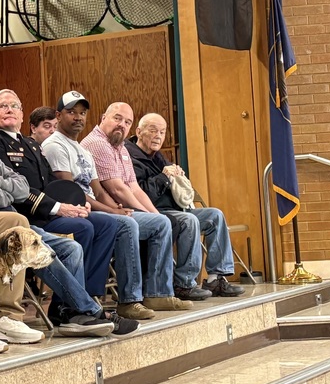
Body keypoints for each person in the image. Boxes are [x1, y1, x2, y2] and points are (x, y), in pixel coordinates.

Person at [0, 103, 128, 337]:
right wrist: (4, 188)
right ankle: (90, 310)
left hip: (16, 221)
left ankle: (67, 314)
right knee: (27, 237)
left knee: (71, 249)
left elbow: (23, 187)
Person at [42, 91, 188, 318]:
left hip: (93, 207)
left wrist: (127, 211)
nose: (78, 117)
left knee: (154, 221)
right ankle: (129, 299)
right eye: (72, 112)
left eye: (81, 113)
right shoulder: (65, 145)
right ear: (59, 116)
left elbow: (101, 189)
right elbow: (73, 192)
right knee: (127, 224)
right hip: (72, 210)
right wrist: (117, 211)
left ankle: (145, 293)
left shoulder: (84, 148)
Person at [0, 89, 120, 316]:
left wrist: (75, 204)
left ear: (22, 115)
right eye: (1, 107)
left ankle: (81, 296)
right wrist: (58, 208)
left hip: (48, 211)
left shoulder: (31, 144)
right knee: (83, 228)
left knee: (106, 223)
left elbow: (52, 184)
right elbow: (17, 190)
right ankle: (69, 306)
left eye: (14, 106)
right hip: (26, 215)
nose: (9, 110)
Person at [82, 102, 211, 302]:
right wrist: (150, 214)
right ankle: (155, 293)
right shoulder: (99, 143)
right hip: (104, 211)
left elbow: (134, 188)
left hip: (121, 207)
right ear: (103, 117)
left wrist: (153, 214)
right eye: (117, 118)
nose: (121, 125)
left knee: (164, 221)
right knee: (162, 223)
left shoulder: (120, 147)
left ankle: (166, 288)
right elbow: (117, 189)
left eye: (127, 122)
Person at [126, 113, 245, 298]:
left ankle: (215, 278)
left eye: (162, 132)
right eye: (153, 130)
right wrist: (164, 177)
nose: (158, 135)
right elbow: (139, 194)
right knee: (189, 220)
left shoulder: (157, 156)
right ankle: (185, 283)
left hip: (175, 209)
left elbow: (171, 180)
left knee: (215, 215)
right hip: (153, 212)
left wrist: (176, 174)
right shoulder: (129, 157)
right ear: (139, 132)